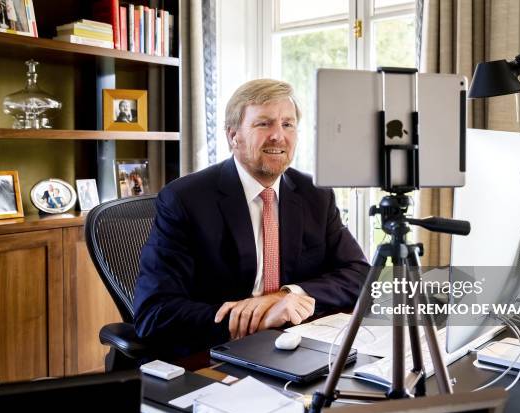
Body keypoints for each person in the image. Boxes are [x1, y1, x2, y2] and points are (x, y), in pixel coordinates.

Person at [133, 79, 369, 357]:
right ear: (234, 136)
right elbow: (154, 312)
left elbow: (360, 274)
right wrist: (255, 318)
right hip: (215, 353)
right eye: (263, 124)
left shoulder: (315, 194)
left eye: (288, 124)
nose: (278, 136)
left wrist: (287, 295)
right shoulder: (184, 199)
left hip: (298, 346)